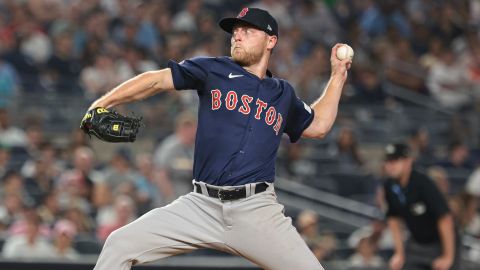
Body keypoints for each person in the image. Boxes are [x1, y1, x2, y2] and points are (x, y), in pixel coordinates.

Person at [84, 7, 351, 270]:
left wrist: (338, 76)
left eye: (247, 31)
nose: (237, 35)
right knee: (119, 244)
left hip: (256, 210)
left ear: (271, 41)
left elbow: (319, 125)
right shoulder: (214, 70)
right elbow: (156, 80)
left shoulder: (283, 94)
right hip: (200, 205)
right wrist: (104, 101)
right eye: (235, 31)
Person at [383, 143, 459, 270]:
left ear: (408, 161)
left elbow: (445, 218)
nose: (390, 165)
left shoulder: (423, 183)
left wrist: (448, 256)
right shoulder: (389, 186)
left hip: (440, 242)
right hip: (417, 242)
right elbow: (393, 219)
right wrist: (399, 253)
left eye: (395, 160)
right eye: (388, 161)